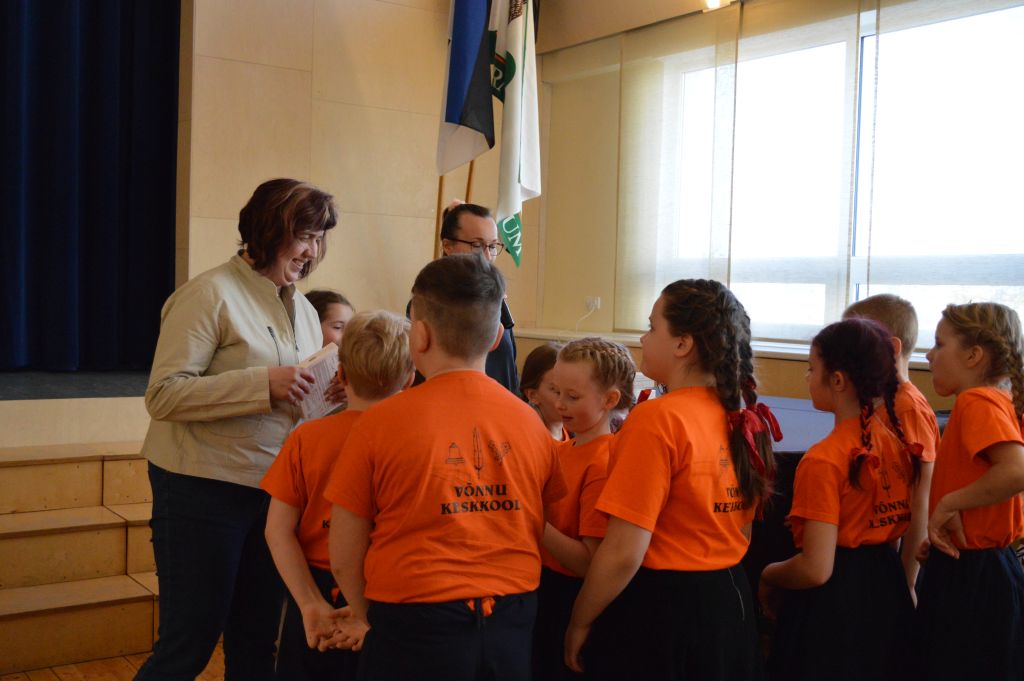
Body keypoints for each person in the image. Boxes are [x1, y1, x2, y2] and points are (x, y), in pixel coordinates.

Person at [323, 253, 566, 681]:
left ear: (418, 336)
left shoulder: (379, 423)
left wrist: (369, 614)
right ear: (497, 337)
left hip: (412, 619)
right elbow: (539, 519)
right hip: (511, 619)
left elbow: (343, 552)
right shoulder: (532, 423)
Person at [136, 178, 338, 681]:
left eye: (319, 239)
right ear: (269, 230)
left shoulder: (305, 311)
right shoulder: (208, 294)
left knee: (256, 643)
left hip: (274, 496)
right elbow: (163, 396)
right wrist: (262, 384)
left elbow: (295, 399)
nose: (312, 252)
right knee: (189, 644)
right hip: (201, 490)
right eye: (304, 237)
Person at [564, 279, 776, 681]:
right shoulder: (742, 418)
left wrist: (580, 619)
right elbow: (742, 530)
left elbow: (624, 551)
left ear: (683, 344)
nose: (643, 338)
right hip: (730, 601)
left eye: (652, 327)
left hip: (667, 609)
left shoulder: (657, 419)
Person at [758, 318, 920, 681]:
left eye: (811, 369)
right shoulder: (895, 443)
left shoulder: (824, 460)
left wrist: (768, 574)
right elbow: (891, 533)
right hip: (887, 589)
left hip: (836, 607)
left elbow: (816, 569)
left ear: (837, 380)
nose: (807, 378)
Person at [261, 310, 413, 681]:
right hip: (388, 592)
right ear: (410, 378)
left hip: (315, 587)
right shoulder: (414, 442)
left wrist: (309, 602)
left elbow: (277, 530)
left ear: (340, 375)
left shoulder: (306, 438)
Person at [917, 302, 1024, 680]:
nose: (929, 355)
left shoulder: (976, 400)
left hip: (976, 576)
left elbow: (1016, 470)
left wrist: (948, 505)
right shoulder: (1000, 400)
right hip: (980, 565)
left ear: (973, 355)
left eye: (939, 344)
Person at [533, 337, 635, 681]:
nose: (559, 404)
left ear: (610, 400)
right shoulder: (563, 448)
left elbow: (589, 564)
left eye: (573, 397)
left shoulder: (603, 463)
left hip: (568, 595)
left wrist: (534, 520)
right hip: (544, 586)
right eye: (556, 391)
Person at [843, 293, 939, 599]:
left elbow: (920, 501)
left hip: (894, 568)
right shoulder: (880, 402)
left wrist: (908, 580)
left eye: (852, 346)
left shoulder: (907, 409)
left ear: (892, 348)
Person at [409, 201, 519, 392]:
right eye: (477, 245)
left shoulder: (494, 298)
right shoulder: (429, 301)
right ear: (447, 245)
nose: (487, 256)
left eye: (493, 246)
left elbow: (509, 368)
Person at [520, 341, 567, 440]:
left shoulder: (575, 430)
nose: (569, 401)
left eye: (574, 394)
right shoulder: (527, 438)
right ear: (532, 395)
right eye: (558, 392)